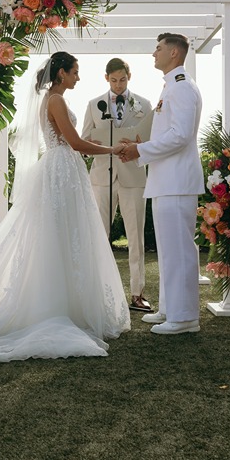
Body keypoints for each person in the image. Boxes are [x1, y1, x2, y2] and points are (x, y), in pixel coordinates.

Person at [0, 51, 130, 363]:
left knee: (66, 236)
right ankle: (57, 307)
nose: (78, 77)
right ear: (61, 74)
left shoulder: (53, 99)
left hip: (64, 170)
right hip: (61, 169)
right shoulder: (55, 100)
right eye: (75, 72)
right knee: (61, 236)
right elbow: (75, 142)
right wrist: (114, 149)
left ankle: (70, 305)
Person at [118, 33, 205, 335]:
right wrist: (144, 145)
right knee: (169, 250)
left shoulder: (181, 88)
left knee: (179, 250)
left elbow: (181, 136)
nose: (153, 53)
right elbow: (171, 135)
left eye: (158, 48)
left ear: (174, 54)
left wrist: (140, 150)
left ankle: (184, 318)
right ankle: (171, 309)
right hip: (167, 179)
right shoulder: (172, 86)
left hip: (177, 181)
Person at [82, 57, 155, 312]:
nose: (118, 85)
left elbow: (151, 142)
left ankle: (138, 294)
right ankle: (99, 293)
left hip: (133, 178)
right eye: (113, 80)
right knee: (99, 236)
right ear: (106, 79)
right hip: (102, 178)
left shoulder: (145, 105)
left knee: (136, 237)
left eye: (122, 79)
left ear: (129, 76)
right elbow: (84, 141)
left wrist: (136, 147)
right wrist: (102, 144)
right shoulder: (93, 105)